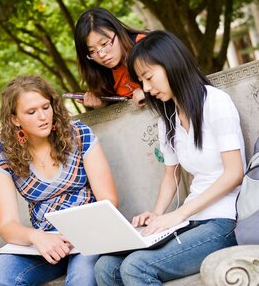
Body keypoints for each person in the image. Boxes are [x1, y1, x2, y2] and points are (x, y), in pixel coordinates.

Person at [94, 30, 246, 285]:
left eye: (149, 77)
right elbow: (170, 175)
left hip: (224, 220)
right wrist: (157, 213)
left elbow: (234, 173)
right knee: (105, 267)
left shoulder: (215, 102)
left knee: (135, 268)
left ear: (171, 64)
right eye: (141, 81)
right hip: (192, 218)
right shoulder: (170, 117)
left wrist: (179, 214)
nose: (147, 89)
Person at [0, 75, 118, 286]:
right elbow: (7, 225)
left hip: (89, 233)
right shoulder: (2, 156)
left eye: (46, 107)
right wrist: (37, 237)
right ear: (14, 119)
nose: (43, 116)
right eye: (31, 112)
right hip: (46, 243)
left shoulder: (79, 134)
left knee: (82, 279)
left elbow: (108, 199)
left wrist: (77, 231)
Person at [74, 7, 147, 108]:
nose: (101, 55)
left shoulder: (145, 46)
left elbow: (172, 75)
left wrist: (147, 91)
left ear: (118, 32)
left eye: (104, 44)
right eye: (91, 51)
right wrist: (103, 104)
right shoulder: (99, 70)